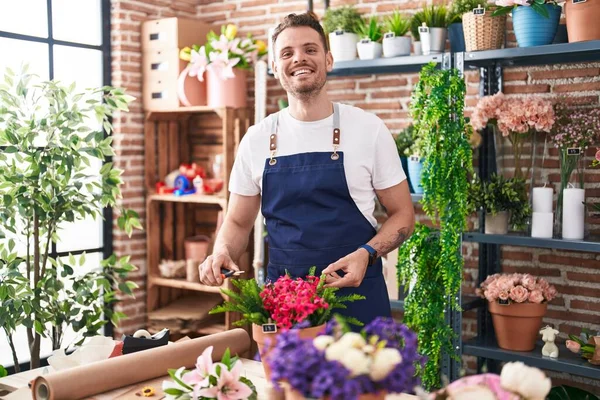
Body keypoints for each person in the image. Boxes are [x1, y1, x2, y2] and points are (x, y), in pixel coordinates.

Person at [199, 11, 415, 326]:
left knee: (364, 376)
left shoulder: (368, 129)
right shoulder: (257, 140)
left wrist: (367, 253)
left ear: (328, 59)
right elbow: (237, 220)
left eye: (310, 49)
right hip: (285, 304)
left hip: (358, 297)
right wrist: (221, 250)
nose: (299, 58)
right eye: (287, 53)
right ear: (275, 67)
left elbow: (403, 216)